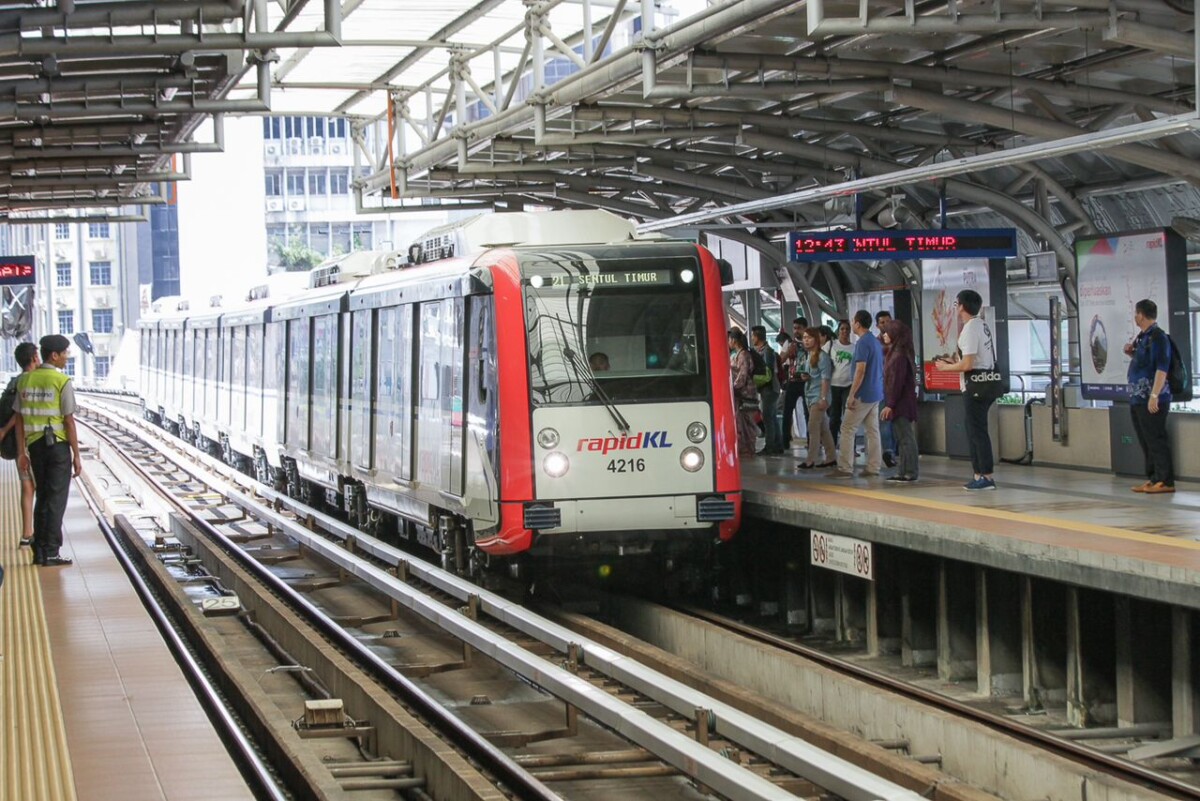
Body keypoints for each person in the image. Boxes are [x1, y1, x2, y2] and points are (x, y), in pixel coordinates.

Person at [15, 335, 81, 566]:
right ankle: (51, 551)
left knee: (43, 496)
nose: (67, 357)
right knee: (56, 500)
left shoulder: (25, 381)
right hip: (57, 448)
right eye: (65, 353)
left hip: (35, 447)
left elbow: (20, 419)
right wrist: (77, 455)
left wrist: (22, 451)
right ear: (54, 355)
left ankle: (39, 550)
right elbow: (69, 421)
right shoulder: (61, 381)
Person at [935, 289, 997, 491]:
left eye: (956, 303)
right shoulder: (981, 326)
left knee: (977, 432)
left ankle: (986, 476)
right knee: (974, 430)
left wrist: (946, 368)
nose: (956, 307)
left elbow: (968, 364)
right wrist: (953, 361)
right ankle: (979, 474)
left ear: (962, 306)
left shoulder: (971, 328)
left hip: (975, 387)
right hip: (983, 383)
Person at [1123, 299, 1175, 494]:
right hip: (1138, 398)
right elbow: (1145, 363)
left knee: (1156, 439)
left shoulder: (1159, 338)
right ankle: (1153, 477)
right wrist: (1131, 353)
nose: (1135, 317)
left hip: (1153, 399)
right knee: (1146, 439)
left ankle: (1165, 480)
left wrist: (1154, 395)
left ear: (1141, 315)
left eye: (1136, 314)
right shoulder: (1143, 337)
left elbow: (1162, 368)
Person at [828, 311, 884, 478]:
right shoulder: (874, 341)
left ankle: (845, 468)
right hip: (875, 392)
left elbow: (860, 370)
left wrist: (852, 394)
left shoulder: (862, 343)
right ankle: (874, 467)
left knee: (847, 428)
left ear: (858, 324)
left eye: (853, 321)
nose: (851, 324)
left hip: (863, 393)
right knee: (873, 431)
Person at [0, 342, 40, 547]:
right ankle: (41, 534)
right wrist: (7, 429)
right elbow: (19, 413)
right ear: (34, 358)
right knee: (43, 488)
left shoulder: (13, 382)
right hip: (34, 442)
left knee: (26, 487)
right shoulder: (35, 381)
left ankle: (26, 534)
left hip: (18, 445)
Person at [881, 320, 919, 482]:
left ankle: (909, 471)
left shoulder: (898, 356)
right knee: (902, 437)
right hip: (901, 402)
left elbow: (897, 382)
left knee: (905, 438)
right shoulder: (897, 352)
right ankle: (903, 471)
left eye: (887, 331)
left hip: (901, 403)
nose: (884, 335)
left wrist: (890, 404)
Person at [798, 327, 836, 469]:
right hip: (810, 395)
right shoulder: (810, 356)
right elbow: (815, 376)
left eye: (809, 337)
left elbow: (825, 379)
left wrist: (824, 398)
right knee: (824, 429)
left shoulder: (822, 357)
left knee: (812, 428)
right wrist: (806, 377)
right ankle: (831, 457)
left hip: (818, 398)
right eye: (804, 337)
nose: (806, 340)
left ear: (816, 339)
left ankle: (810, 459)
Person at [751, 326, 783, 455]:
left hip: (770, 388)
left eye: (753, 336)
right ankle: (778, 445)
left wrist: (757, 379)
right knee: (772, 417)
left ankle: (770, 446)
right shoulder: (760, 350)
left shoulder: (767, 351)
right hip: (768, 389)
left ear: (758, 336)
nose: (752, 338)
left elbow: (768, 371)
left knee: (768, 418)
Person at [728, 329, 758, 458]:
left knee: (748, 421)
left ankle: (750, 447)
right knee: (741, 421)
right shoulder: (736, 354)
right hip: (740, 393)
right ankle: (744, 447)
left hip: (746, 393)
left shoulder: (743, 355)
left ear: (734, 340)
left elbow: (743, 374)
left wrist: (733, 387)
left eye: (729, 339)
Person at [781, 316, 808, 450]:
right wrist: (787, 353)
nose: (796, 331)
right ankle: (785, 440)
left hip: (805, 381)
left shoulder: (809, 342)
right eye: (795, 328)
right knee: (787, 411)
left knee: (808, 412)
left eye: (799, 328)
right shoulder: (789, 343)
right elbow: (780, 360)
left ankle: (811, 440)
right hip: (792, 381)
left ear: (805, 329)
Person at [875, 310, 898, 468]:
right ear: (877, 325)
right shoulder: (876, 343)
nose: (885, 324)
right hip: (883, 386)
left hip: (898, 385)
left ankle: (896, 450)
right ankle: (888, 452)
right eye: (882, 322)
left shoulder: (899, 341)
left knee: (899, 420)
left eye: (888, 321)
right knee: (885, 420)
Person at [829, 319, 854, 444]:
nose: (844, 331)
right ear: (838, 331)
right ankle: (832, 444)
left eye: (847, 329)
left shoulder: (854, 348)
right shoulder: (832, 345)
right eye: (842, 329)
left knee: (848, 416)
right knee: (834, 416)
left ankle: (850, 445)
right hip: (834, 385)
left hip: (848, 385)